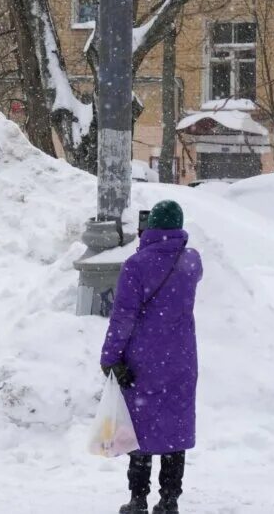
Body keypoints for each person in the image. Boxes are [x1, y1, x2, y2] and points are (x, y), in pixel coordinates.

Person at [99, 200, 204, 514]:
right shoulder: (192, 261)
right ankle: (169, 500)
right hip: (181, 358)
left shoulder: (136, 265)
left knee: (140, 430)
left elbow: (123, 317)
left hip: (143, 358)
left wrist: (110, 358)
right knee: (175, 429)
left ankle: (137, 500)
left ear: (151, 226)